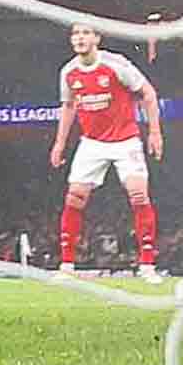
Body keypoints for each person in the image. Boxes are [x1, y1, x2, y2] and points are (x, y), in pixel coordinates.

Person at [49, 32, 162, 275]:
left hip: (125, 139)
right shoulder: (68, 72)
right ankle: (66, 265)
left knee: (139, 196)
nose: (79, 38)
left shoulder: (115, 65)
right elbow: (68, 106)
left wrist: (154, 132)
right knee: (74, 198)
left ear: (96, 38)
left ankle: (147, 265)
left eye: (85, 33)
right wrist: (59, 143)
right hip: (91, 143)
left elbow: (149, 93)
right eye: (75, 33)